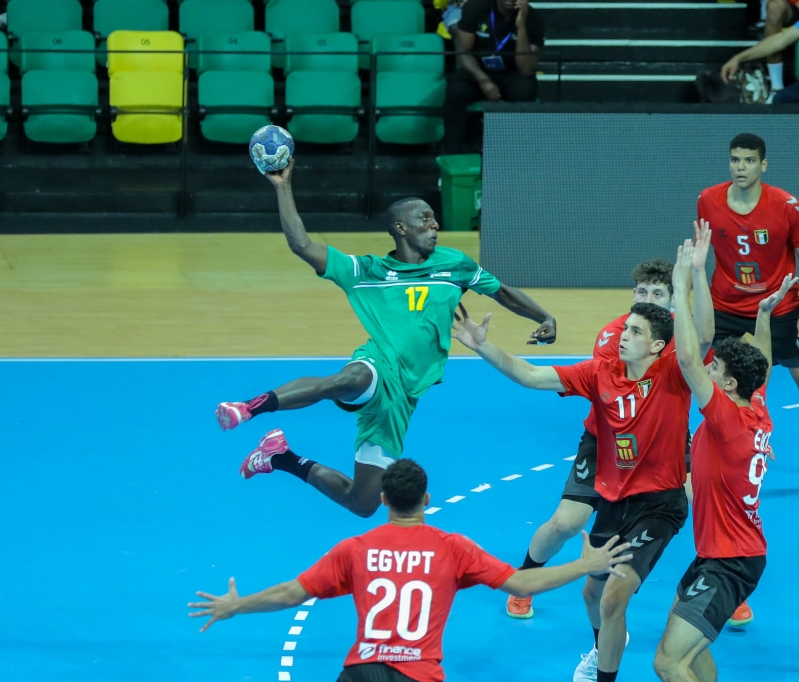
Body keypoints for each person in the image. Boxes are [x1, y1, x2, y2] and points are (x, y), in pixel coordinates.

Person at [215, 159, 556, 518]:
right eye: (423, 218)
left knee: (361, 503)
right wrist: (282, 186)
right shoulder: (369, 271)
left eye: (433, 218)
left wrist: (543, 316)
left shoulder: (454, 264)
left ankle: (278, 456)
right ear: (399, 227)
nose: (434, 224)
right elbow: (302, 244)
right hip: (380, 363)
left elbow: (502, 292)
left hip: (404, 396)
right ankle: (250, 407)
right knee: (350, 379)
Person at [188, 459, 633, 682]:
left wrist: (235, 605)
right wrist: (583, 563)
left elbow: (290, 594)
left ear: (383, 500)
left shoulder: (355, 550)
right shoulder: (453, 548)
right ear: (427, 499)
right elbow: (523, 586)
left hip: (361, 678)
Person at [452, 292, 711, 682]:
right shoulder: (599, 372)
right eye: (626, 327)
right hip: (615, 501)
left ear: (658, 345)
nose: (622, 335)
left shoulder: (672, 376)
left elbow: (706, 335)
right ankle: (602, 646)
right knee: (592, 593)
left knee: (611, 598)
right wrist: (483, 346)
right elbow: (531, 376)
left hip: (659, 506)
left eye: (636, 331)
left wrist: (691, 274)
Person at [504, 234, 714, 624]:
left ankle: (718, 581)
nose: (647, 298)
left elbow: (703, 337)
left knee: (700, 502)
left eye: (657, 292)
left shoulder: (678, 336)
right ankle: (527, 576)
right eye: (641, 290)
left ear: (671, 299)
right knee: (566, 523)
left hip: (662, 441)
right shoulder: (618, 336)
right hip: (607, 442)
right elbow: (613, 394)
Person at [652, 246, 792, 682]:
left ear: (728, 385)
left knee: (668, 663)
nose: (708, 370)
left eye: (718, 370)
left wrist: (680, 290)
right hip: (725, 553)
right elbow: (763, 366)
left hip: (730, 562)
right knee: (687, 646)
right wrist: (765, 317)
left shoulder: (728, 419)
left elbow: (690, 361)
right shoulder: (756, 407)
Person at [697, 133, 799, 476]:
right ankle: (716, 452)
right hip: (725, 307)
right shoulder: (707, 200)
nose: (741, 167)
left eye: (749, 160)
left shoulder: (787, 205)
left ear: (763, 165)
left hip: (778, 305)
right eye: (735, 160)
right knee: (710, 380)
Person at [443, 0, 543, 153]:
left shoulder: (533, 18)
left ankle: (516, 154)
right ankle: (451, 154)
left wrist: (521, 26)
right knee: (456, 89)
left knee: (526, 88)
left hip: (512, 73)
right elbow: (463, 52)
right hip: (478, 70)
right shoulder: (476, 8)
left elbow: (526, 69)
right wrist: (484, 80)